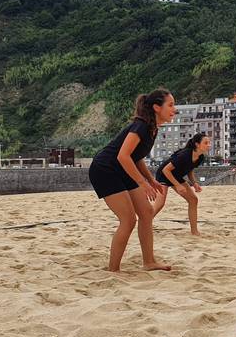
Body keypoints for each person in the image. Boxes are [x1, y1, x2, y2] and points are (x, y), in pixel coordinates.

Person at [88, 88, 175, 272]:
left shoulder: (152, 129)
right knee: (128, 220)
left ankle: (149, 262)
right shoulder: (141, 125)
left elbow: (136, 157)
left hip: (123, 169)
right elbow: (123, 156)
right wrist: (143, 183)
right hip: (105, 169)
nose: (174, 109)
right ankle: (113, 269)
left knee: (146, 213)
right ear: (156, 107)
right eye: (171, 105)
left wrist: (151, 180)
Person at [152, 133, 210, 235]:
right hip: (163, 175)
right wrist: (177, 185)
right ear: (197, 144)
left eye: (209, 143)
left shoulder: (200, 157)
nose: (209, 145)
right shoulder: (185, 154)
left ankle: (194, 231)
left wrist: (194, 183)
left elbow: (190, 169)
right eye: (206, 143)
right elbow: (166, 170)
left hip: (176, 176)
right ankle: (144, 223)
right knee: (160, 204)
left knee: (193, 200)